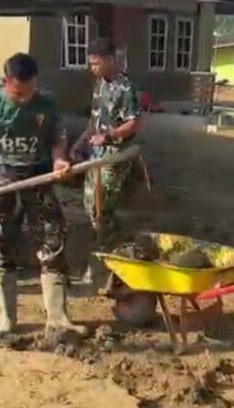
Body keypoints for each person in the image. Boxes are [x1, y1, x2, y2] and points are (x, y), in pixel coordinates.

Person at [0, 53, 86, 336]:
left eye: (29, 92)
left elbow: (57, 138)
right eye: (18, 93)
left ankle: (57, 319)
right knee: (2, 246)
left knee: (53, 241)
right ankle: (7, 319)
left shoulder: (46, 103)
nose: (25, 99)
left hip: (39, 176)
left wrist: (59, 160)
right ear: (5, 82)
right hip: (3, 179)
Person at [79, 39, 143, 289]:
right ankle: (112, 247)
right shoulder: (99, 84)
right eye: (90, 64)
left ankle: (104, 264)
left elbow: (134, 123)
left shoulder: (125, 88)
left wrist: (108, 136)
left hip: (115, 155)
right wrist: (81, 142)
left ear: (110, 60)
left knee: (102, 208)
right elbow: (94, 118)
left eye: (96, 63)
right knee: (90, 206)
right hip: (95, 154)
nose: (92, 68)